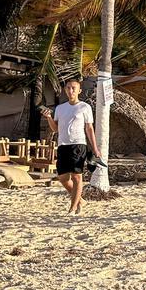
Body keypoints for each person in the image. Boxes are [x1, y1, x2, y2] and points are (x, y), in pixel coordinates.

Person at [41, 78, 99, 215]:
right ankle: (80, 200)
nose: (70, 90)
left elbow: (89, 128)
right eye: (68, 88)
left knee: (77, 177)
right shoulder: (60, 108)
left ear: (79, 90)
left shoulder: (85, 107)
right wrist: (49, 117)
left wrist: (95, 148)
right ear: (65, 90)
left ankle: (73, 208)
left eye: (73, 88)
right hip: (63, 145)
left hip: (78, 145)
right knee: (62, 178)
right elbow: (55, 129)